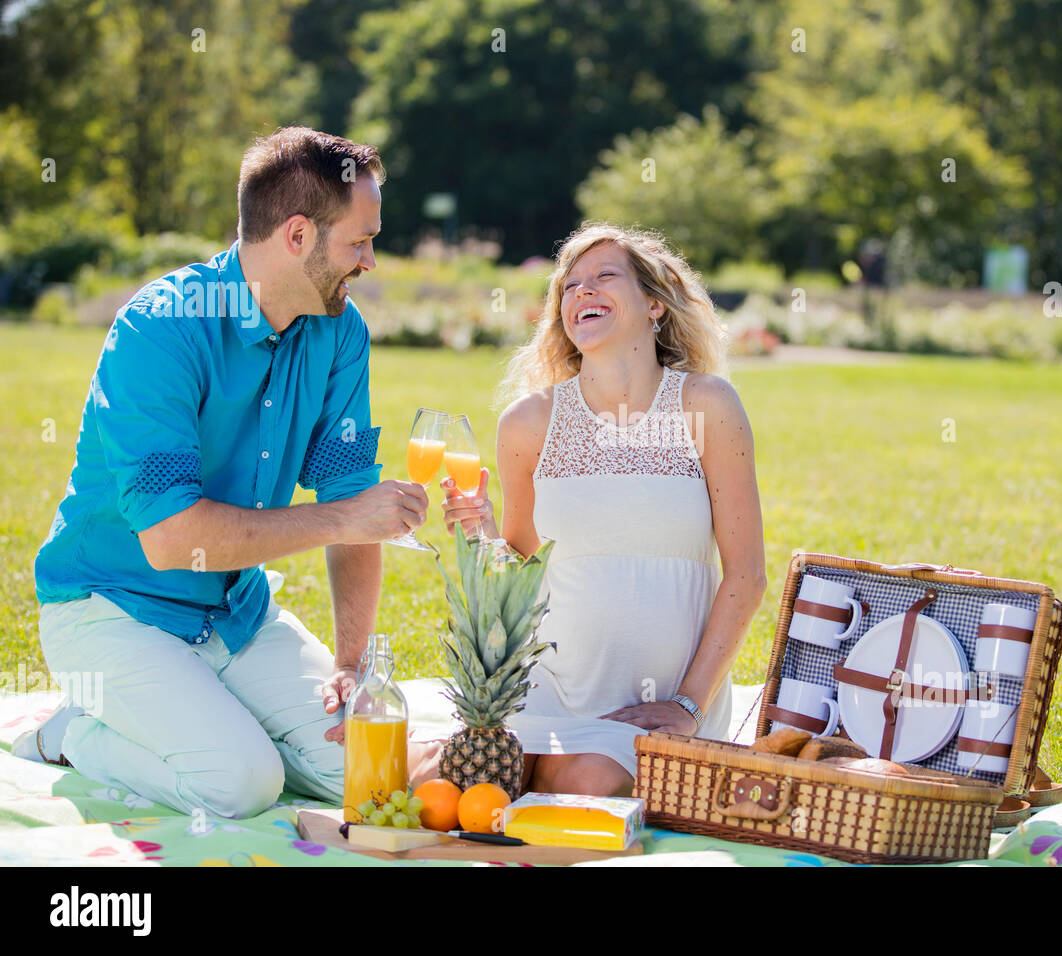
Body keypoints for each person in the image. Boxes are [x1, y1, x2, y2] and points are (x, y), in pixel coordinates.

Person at [22, 127, 431, 819]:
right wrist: (346, 516)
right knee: (241, 783)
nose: (369, 260)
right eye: (360, 241)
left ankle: (201, 706)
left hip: (234, 613)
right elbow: (172, 539)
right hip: (110, 610)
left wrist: (352, 665)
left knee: (375, 780)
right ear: (298, 235)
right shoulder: (159, 330)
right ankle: (76, 731)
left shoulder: (339, 331)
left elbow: (348, 492)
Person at [427, 223, 767, 796]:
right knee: (458, 790)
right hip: (549, 685)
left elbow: (747, 575)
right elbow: (519, 561)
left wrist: (688, 704)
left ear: (654, 303)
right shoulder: (527, 423)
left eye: (605, 277)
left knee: (580, 787)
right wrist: (482, 531)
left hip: (663, 701)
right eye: (569, 286)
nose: (582, 291)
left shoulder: (705, 405)